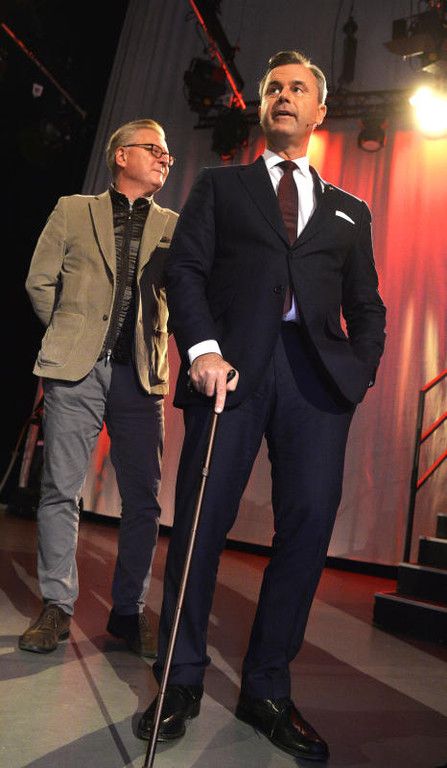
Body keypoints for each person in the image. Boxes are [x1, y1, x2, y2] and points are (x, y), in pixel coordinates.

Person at [138, 51, 386, 761]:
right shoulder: (222, 186)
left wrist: (357, 373)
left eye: (298, 88)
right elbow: (184, 270)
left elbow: (367, 304)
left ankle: (267, 690)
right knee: (201, 525)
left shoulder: (350, 209)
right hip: (230, 371)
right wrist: (202, 349)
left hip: (316, 386)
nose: (283, 95)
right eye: (274, 87)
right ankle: (180, 678)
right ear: (261, 105)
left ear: (318, 112)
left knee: (305, 532)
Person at [20, 119, 178, 658]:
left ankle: (128, 613)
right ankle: (56, 606)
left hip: (140, 376)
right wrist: (72, 334)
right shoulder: (73, 210)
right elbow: (39, 281)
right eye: (154, 149)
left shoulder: (174, 226)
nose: (164, 158)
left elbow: (184, 295)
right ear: (121, 155)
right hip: (76, 371)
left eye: (168, 153)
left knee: (144, 502)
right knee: (60, 490)